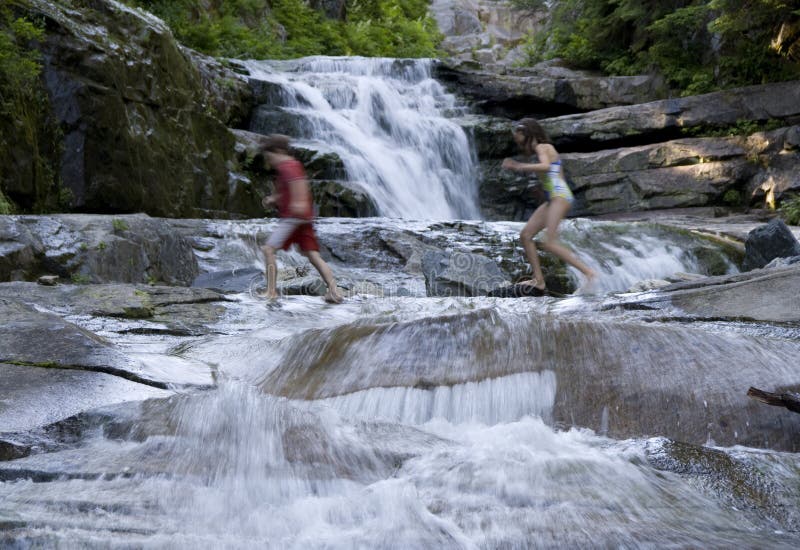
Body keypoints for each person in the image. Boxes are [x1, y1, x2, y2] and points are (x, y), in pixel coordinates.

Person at [502, 118, 597, 292]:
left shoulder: (541, 147)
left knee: (550, 243)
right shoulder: (547, 149)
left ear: (526, 133)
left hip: (559, 197)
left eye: (517, 133)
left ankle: (589, 273)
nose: (515, 137)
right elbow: (555, 175)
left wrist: (518, 166)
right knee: (526, 235)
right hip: (554, 198)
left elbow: (545, 166)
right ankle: (539, 281)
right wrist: (542, 193)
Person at [259, 134, 343, 304]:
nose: (270, 162)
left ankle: (271, 291)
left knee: (268, 250)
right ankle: (334, 291)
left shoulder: (287, 167)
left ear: (279, 151)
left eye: (270, 157)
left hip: (293, 217)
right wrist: (273, 200)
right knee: (313, 255)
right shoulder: (292, 166)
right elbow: (286, 191)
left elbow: (298, 184)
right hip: (304, 218)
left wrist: (298, 202)